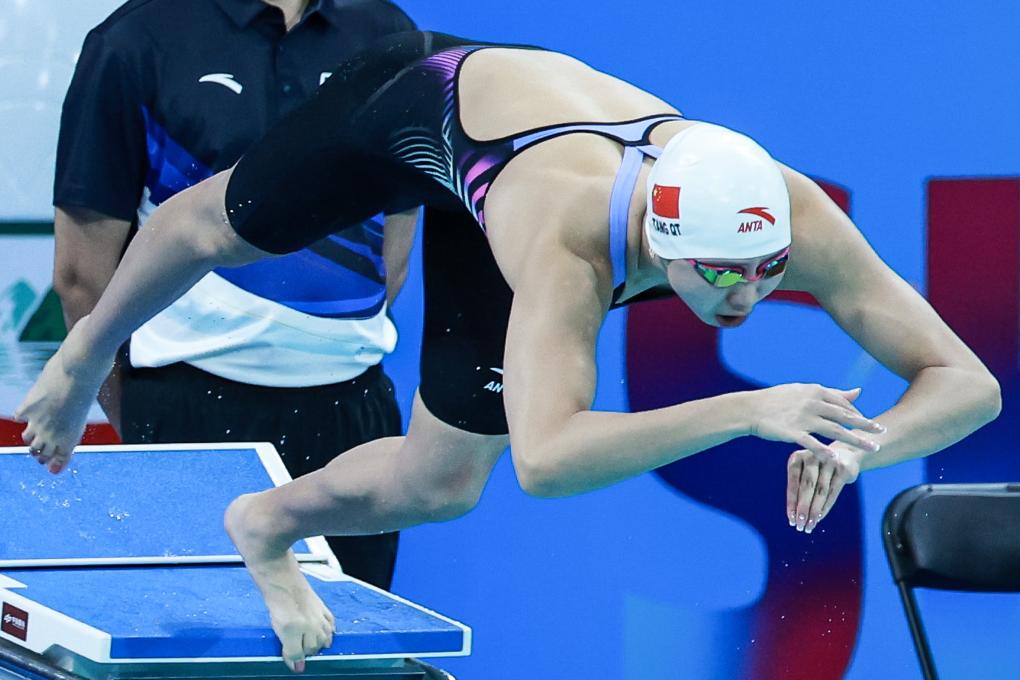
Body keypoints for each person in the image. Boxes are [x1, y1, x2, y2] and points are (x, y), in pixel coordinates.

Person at [19, 31, 1001, 671]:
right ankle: (77, 356)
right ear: (660, 239)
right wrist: (749, 408)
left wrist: (861, 443)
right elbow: (548, 458)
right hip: (426, 110)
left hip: (522, 174)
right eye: (719, 275)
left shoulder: (786, 213)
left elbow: (969, 383)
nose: (747, 296)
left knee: (444, 480)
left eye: (765, 270)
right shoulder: (570, 248)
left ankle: (264, 520)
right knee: (216, 228)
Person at [48, 0, 419, 591]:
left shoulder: (387, 33)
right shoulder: (135, 39)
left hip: (353, 420)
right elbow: (81, 276)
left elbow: (392, 248)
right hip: (186, 410)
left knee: (347, 637)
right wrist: (143, 419)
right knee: (197, 635)